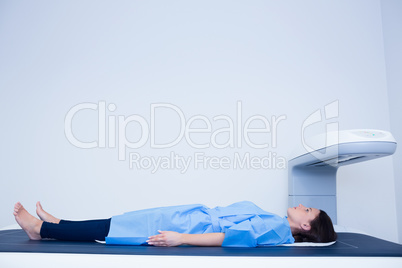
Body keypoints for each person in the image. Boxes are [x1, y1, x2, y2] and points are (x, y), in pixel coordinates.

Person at [13, 200, 337, 247]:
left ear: (307, 226)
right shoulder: (277, 221)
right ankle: (60, 223)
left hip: (191, 227)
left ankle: (42, 230)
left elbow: (228, 237)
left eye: (306, 210)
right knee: (120, 220)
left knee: (116, 230)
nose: (299, 206)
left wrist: (180, 238)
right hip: (190, 216)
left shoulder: (278, 230)